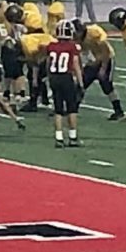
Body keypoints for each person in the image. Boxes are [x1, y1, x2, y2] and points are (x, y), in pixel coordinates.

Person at [45, 18, 87, 152]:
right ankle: (73, 137)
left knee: (58, 109)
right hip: (66, 78)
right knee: (71, 109)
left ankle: (59, 138)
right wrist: (81, 83)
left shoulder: (51, 46)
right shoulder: (72, 47)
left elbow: (48, 63)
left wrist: (48, 77)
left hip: (54, 77)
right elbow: (75, 65)